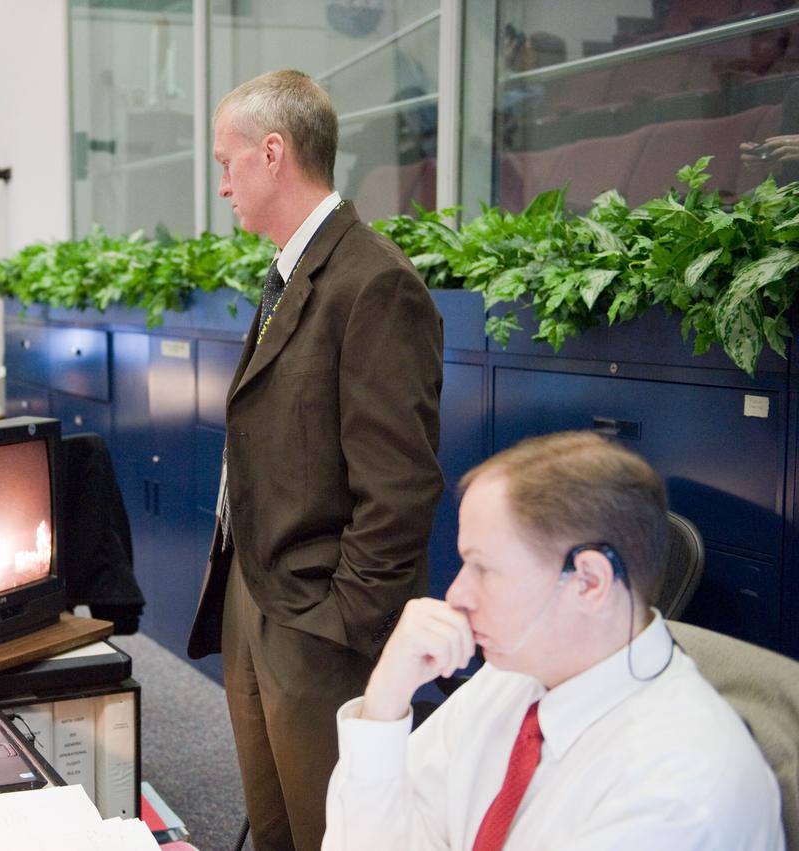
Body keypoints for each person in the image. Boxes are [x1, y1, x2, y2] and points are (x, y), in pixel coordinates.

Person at [187, 69, 444, 851]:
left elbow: (399, 488)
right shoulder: (288, 271)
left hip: (317, 623)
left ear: (273, 153)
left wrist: (339, 628)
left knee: (332, 832)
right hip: (254, 590)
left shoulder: (374, 283)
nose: (223, 185)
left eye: (227, 163)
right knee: (275, 828)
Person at [322, 432, 784, 851]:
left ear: (588, 582)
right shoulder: (513, 681)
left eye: (483, 568)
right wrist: (384, 703)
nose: (456, 594)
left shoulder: (680, 794)